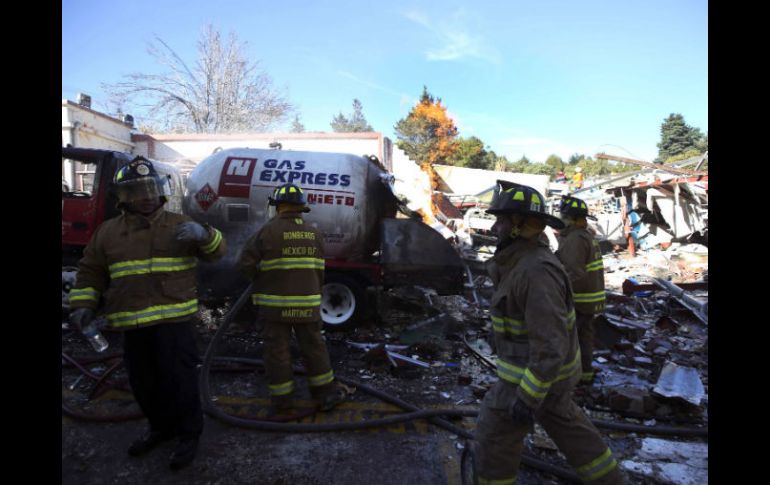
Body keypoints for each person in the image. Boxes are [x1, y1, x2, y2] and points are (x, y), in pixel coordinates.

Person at [68, 156, 226, 470]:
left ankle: (188, 435)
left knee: (180, 382)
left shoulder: (180, 225)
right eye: (138, 191)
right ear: (124, 196)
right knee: (144, 385)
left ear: (161, 191)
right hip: (133, 323)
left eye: (152, 189)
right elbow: (90, 272)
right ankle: (160, 429)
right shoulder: (108, 233)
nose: (147, 196)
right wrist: (84, 305)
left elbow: (217, 254)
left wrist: (205, 235)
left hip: (174, 324)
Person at [471, 183, 625, 484]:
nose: (494, 226)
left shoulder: (535, 271)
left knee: (494, 436)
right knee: (571, 430)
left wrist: (527, 399)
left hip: (530, 381)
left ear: (518, 225)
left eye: (501, 220)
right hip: (547, 379)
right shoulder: (519, 263)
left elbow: (550, 345)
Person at [238, 183, 347, 414]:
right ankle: (325, 394)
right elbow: (319, 271)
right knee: (315, 348)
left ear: (277, 207)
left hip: (274, 308)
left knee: (277, 352)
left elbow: (244, 265)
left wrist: (260, 277)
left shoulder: (266, 232)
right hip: (308, 306)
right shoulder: (314, 233)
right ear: (301, 207)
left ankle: (283, 401)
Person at [556, 196, 606, 385]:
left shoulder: (575, 239)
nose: (561, 219)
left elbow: (574, 273)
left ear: (572, 218)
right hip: (589, 298)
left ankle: (572, 376)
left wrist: (559, 295)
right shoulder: (584, 235)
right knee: (584, 337)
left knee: (572, 339)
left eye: (564, 216)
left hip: (580, 299)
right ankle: (585, 374)